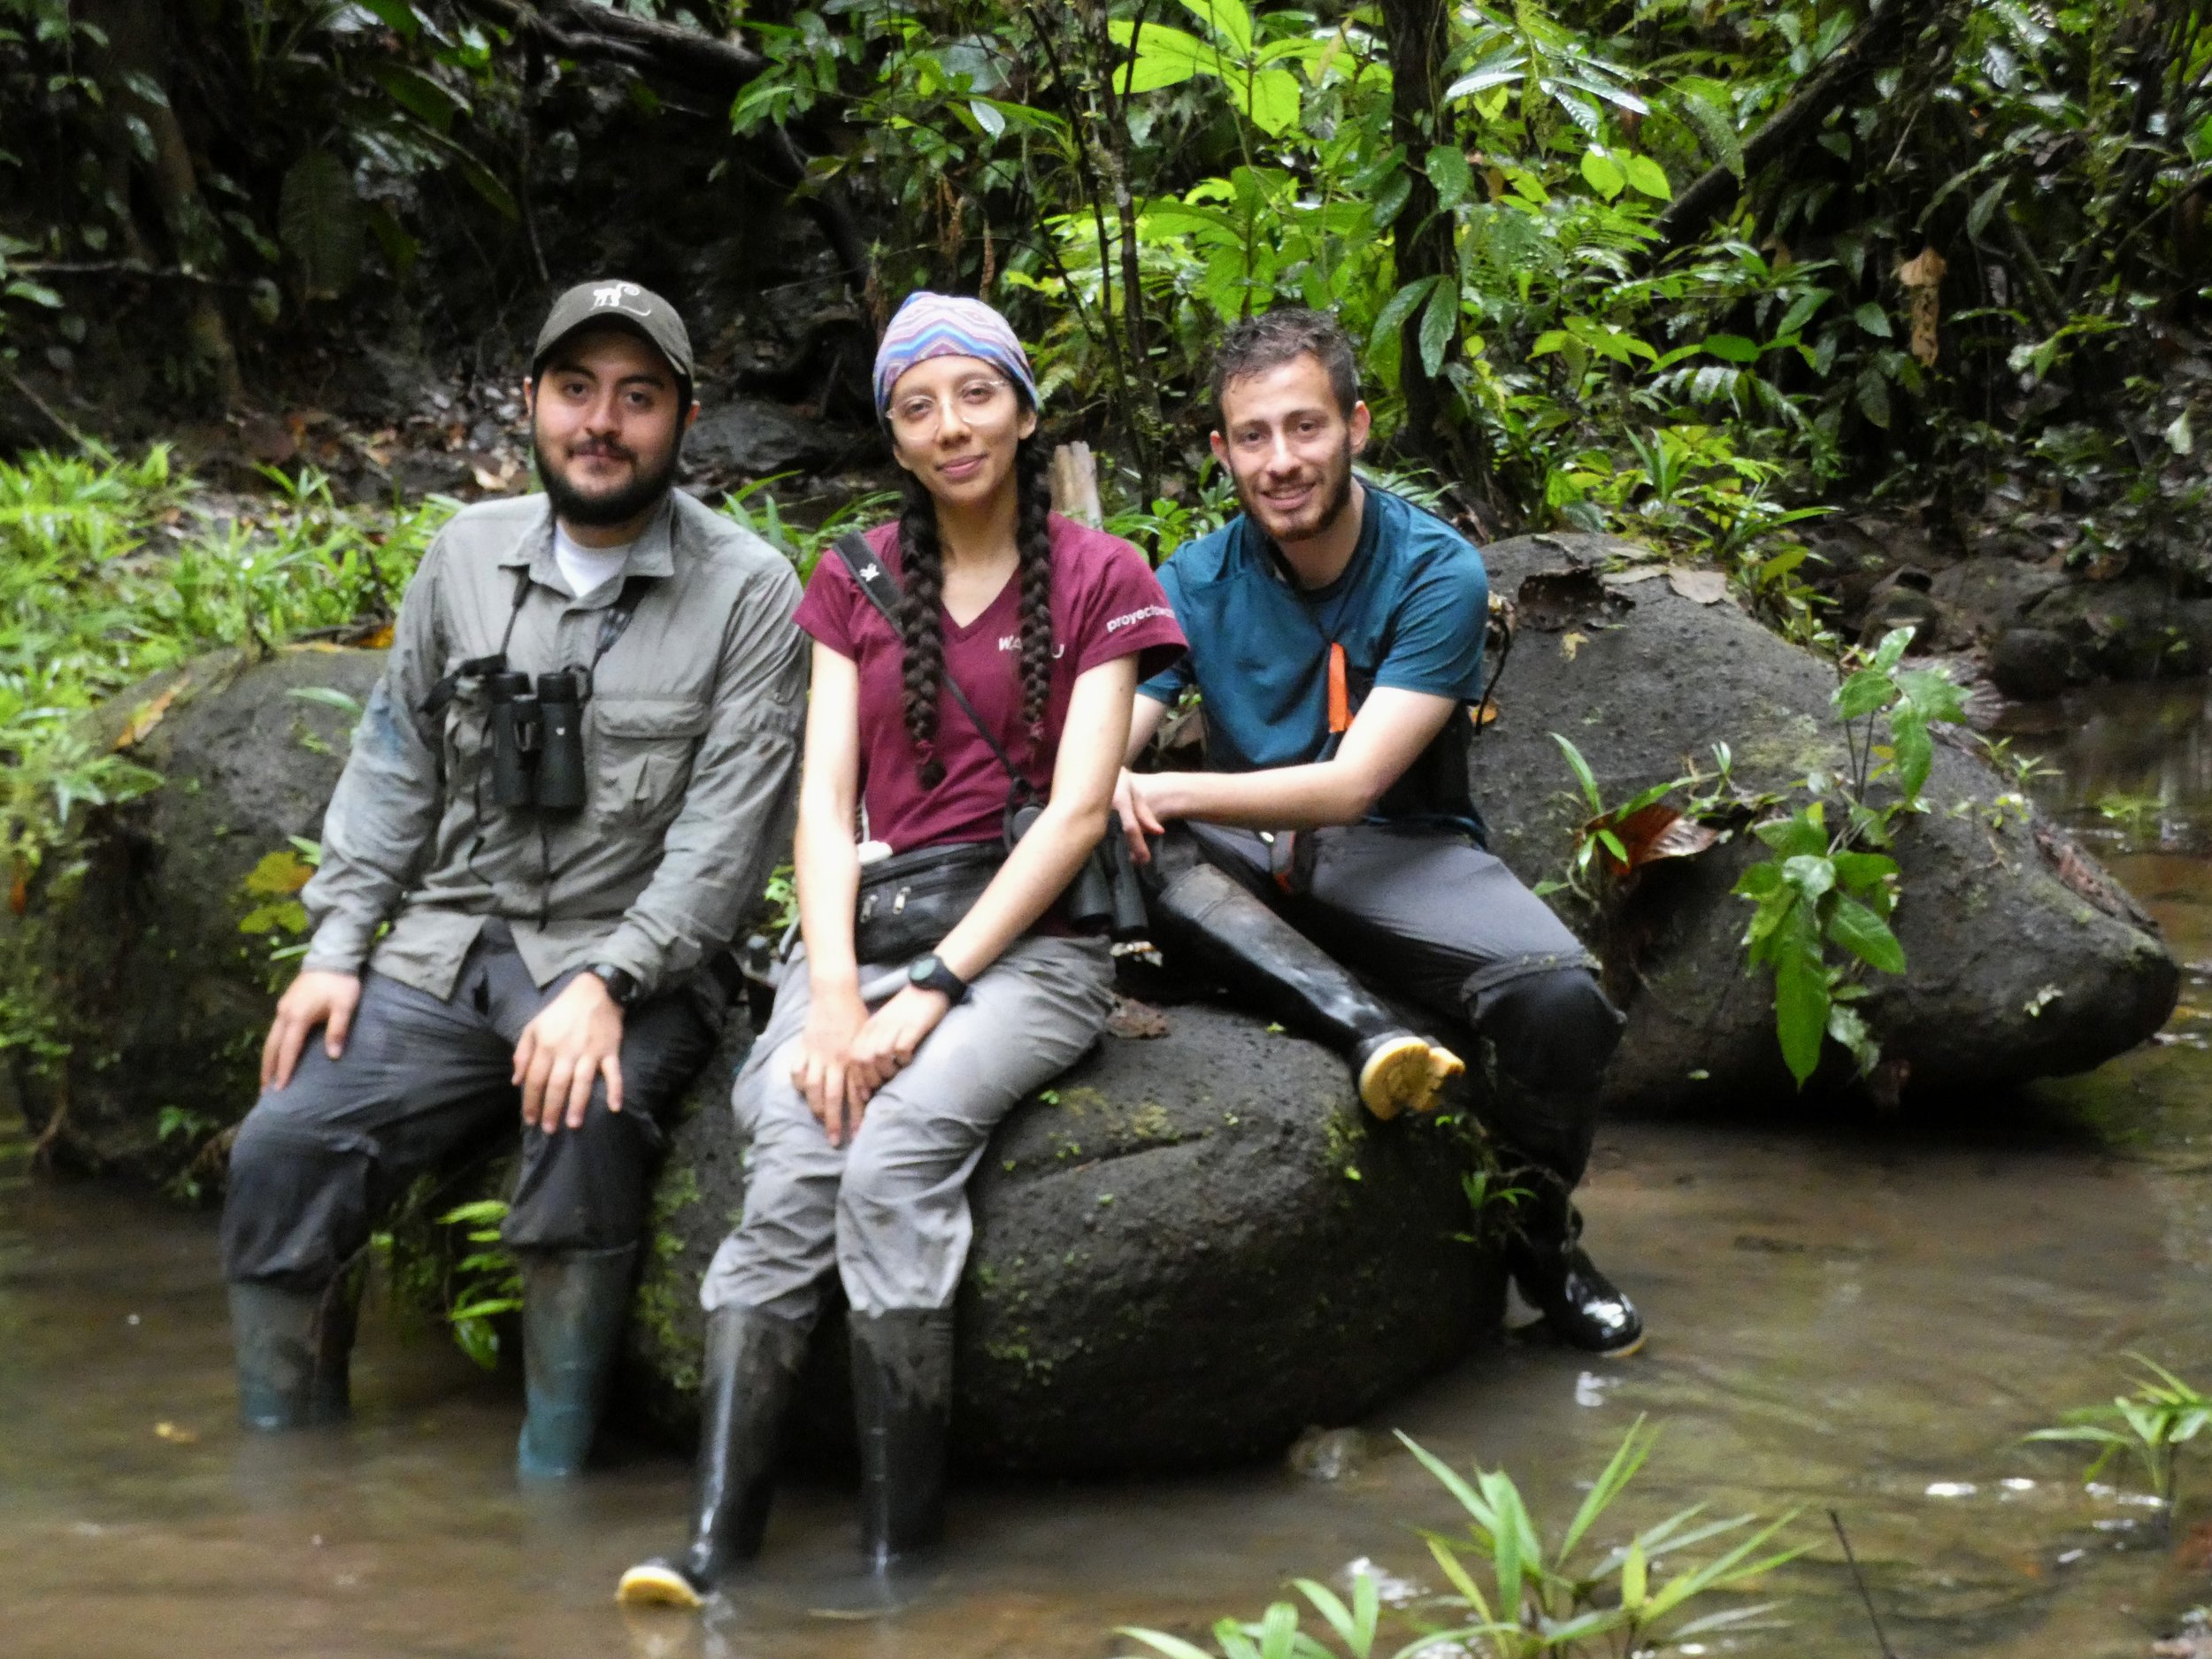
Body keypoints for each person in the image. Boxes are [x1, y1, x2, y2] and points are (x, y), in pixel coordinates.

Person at [616, 293, 1185, 1609]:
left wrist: (927, 997)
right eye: (919, 406)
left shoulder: (1105, 575)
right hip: (865, 941)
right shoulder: (853, 577)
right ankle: (716, 1540)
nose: (951, 426)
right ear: (896, 436)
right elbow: (821, 806)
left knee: (896, 1151)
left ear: (1026, 411)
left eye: (976, 395)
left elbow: (1082, 813)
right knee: (796, 1157)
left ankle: (896, 1551)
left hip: (1029, 949)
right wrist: (827, 1000)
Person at [219, 280, 810, 1478]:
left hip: (633, 959)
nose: (603, 421)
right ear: (531, 404)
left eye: (637, 397)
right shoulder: (464, 556)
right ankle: (284, 1490)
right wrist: (337, 945)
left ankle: (549, 1489)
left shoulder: (750, 589)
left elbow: (726, 834)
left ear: (683, 419)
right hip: (454, 946)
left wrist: (608, 978)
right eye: (576, 389)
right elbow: (392, 761)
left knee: (581, 1115)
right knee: (282, 1137)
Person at [1115, 307, 1642, 1357]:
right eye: (1253, 437)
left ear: (1355, 425)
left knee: (1557, 997)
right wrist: (1104, 778)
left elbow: (1357, 785)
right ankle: (1367, 1032)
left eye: (1305, 428)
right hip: (1243, 857)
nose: (1281, 461)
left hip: (1397, 847)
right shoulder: (1189, 579)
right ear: (1221, 452)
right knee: (1092, 815)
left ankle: (1541, 1239)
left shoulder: (1432, 568)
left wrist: (1164, 790)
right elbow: (1115, 741)